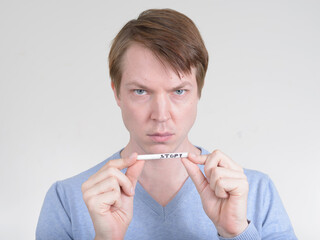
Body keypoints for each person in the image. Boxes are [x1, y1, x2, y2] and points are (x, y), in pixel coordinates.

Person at [36, 8, 297, 240]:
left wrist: (237, 233)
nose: (161, 115)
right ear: (117, 93)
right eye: (141, 91)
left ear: (199, 93)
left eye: (179, 91)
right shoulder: (66, 200)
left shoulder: (257, 192)